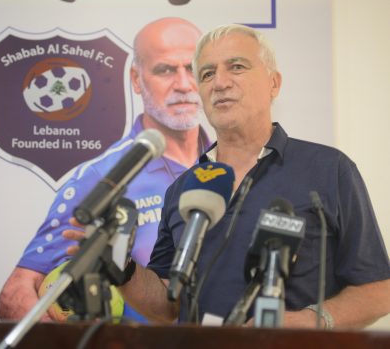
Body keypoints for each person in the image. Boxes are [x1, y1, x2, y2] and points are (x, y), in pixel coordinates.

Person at [118, 23, 390, 328]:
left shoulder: (329, 169)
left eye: (236, 67)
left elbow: (379, 289)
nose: (219, 83)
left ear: (274, 83)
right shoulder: (184, 188)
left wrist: (310, 321)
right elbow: (167, 305)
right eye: (207, 74)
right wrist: (121, 265)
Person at [0, 17, 211, 322]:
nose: (183, 84)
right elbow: (15, 294)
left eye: (193, 68)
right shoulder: (103, 177)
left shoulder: (229, 165)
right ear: (136, 79)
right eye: (165, 70)